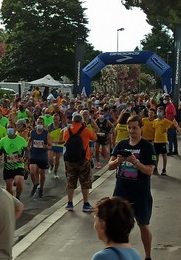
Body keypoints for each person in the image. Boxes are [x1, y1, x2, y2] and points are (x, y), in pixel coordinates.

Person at [107, 115, 156, 259]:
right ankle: (120, 254)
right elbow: (109, 166)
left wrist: (136, 162)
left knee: (143, 225)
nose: (132, 131)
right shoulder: (121, 145)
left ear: (141, 128)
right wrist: (118, 160)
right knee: (118, 226)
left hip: (140, 193)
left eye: (135, 128)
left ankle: (148, 256)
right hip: (121, 192)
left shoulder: (147, 147)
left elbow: (150, 171)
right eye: (130, 128)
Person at [63, 113, 97, 212]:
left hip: (70, 159)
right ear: (82, 121)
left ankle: (70, 203)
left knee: (71, 180)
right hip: (84, 159)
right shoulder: (86, 130)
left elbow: (65, 141)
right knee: (85, 181)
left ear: (72, 121)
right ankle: (85, 204)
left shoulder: (67, 131)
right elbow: (95, 138)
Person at [0, 122, 28, 200]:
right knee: (9, 186)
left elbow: (27, 151)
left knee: (19, 182)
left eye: (11, 127)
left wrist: (24, 159)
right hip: (8, 166)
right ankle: (12, 200)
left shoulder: (21, 140)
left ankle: (17, 197)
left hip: (18, 165)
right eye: (8, 127)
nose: (9, 129)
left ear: (15, 128)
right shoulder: (3, 140)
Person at [152, 106, 180, 175]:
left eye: (160, 111)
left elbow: (173, 125)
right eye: (158, 111)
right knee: (156, 155)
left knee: (164, 155)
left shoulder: (165, 121)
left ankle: (164, 169)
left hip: (163, 141)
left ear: (164, 113)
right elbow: (154, 130)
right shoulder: (155, 121)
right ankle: (155, 168)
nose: (159, 112)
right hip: (156, 141)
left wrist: (167, 129)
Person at [28, 117, 51, 198]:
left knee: (42, 172)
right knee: (32, 171)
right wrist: (28, 147)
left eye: (41, 123)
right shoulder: (32, 132)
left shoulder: (46, 133)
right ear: (36, 123)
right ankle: (35, 184)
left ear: (43, 124)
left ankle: (41, 187)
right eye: (38, 123)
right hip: (34, 154)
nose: (40, 124)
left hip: (42, 156)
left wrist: (46, 147)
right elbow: (29, 141)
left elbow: (50, 146)